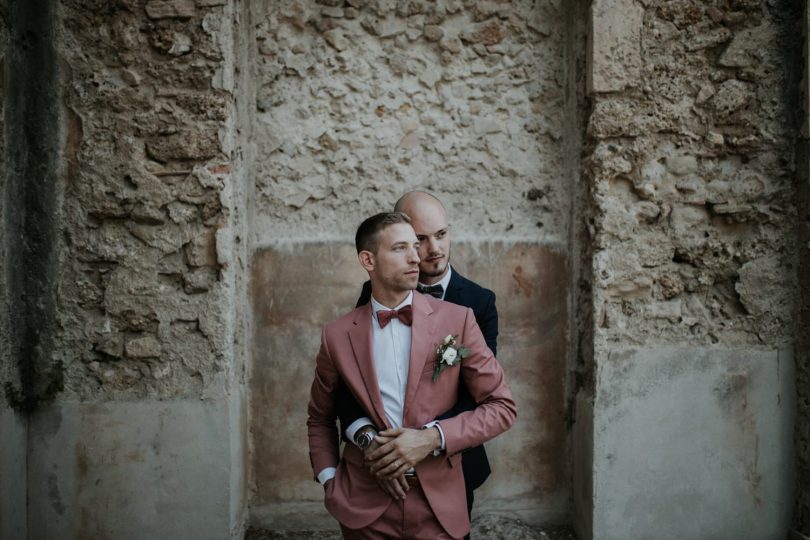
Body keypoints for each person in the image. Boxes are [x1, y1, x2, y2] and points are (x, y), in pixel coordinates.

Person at [307, 212, 516, 539]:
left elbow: (502, 407)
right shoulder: (336, 335)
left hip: (438, 506)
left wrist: (432, 438)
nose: (416, 256)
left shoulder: (458, 320)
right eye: (401, 248)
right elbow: (320, 417)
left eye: (414, 247)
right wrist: (329, 479)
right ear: (368, 260)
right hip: (363, 506)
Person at [338, 192, 498, 522]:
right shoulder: (374, 292)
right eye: (421, 240)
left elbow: (480, 395)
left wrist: (425, 442)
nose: (434, 249)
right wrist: (378, 446)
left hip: (451, 462)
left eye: (441, 235)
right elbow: (354, 380)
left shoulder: (478, 303)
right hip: (384, 466)